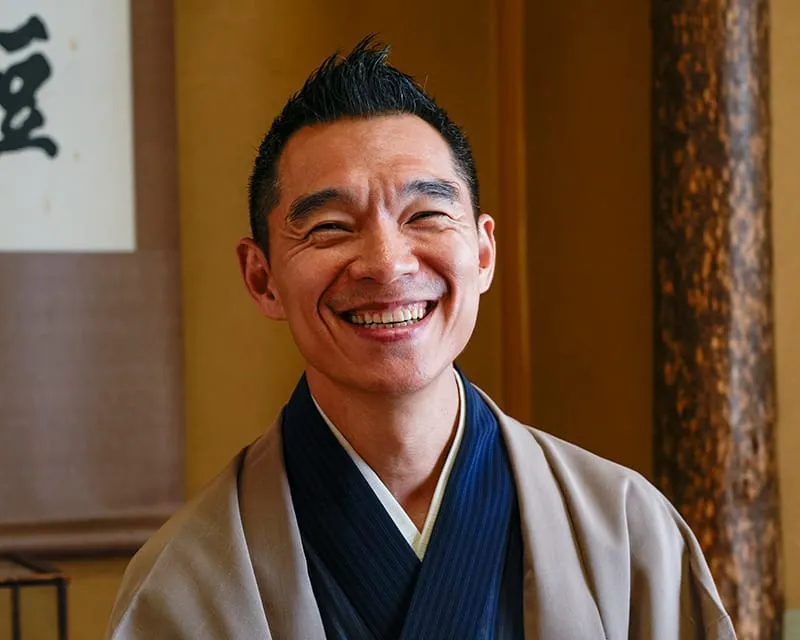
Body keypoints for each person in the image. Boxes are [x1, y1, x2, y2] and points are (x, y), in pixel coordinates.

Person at [107, 38, 735, 639]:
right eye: (330, 226)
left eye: (426, 215)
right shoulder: (186, 582)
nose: (387, 264)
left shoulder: (627, 533)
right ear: (261, 277)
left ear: (483, 253)